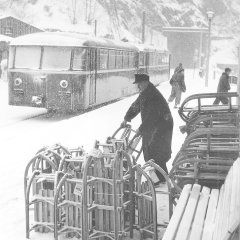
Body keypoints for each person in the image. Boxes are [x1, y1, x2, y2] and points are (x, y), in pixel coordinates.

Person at [121, 74, 173, 185]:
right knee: (150, 153)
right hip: (155, 125)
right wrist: (127, 118)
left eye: (139, 84)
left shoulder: (152, 95)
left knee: (155, 153)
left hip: (162, 126)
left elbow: (151, 116)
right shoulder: (145, 93)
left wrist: (141, 129)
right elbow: (136, 106)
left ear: (145, 82)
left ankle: (159, 180)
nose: (138, 86)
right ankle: (158, 180)